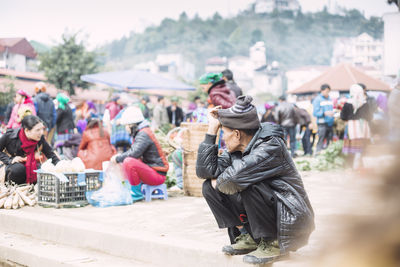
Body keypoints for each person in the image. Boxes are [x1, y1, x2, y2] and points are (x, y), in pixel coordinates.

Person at [196, 95, 314, 264]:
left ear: (237, 134)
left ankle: (273, 243)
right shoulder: (236, 150)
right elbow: (205, 172)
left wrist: (220, 181)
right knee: (209, 186)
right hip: (269, 206)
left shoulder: (270, 146)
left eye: (224, 133)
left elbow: (232, 180)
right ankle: (248, 235)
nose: (222, 138)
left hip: (289, 215)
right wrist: (211, 130)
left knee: (246, 182)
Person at [110, 106, 169, 187]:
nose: (126, 128)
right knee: (127, 160)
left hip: (157, 174)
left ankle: (136, 193)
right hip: (152, 170)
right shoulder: (141, 132)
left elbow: (134, 153)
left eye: (126, 125)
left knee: (129, 162)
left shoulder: (143, 134)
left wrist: (117, 158)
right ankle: (132, 188)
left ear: (132, 125)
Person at [0, 115, 59, 184]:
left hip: (31, 166)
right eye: (38, 130)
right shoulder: (10, 136)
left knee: (42, 170)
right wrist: (10, 160)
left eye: (42, 129)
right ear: (27, 130)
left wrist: (61, 166)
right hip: (12, 167)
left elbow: (51, 154)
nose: (41, 132)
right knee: (18, 169)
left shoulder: (40, 138)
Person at [341, 84, 373, 170]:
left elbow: (343, 117)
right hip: (363, 128)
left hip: (351, 128)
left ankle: (352, 166)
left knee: (351, 149)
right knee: (362, 148)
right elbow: (370, 117)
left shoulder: (348, 103)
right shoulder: (365, 103)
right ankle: (360, 166)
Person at [313, 84, 334, 153]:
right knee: (321, 139)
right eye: (326, 91)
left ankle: (327, 154)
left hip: (330, 122)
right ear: (322, 91)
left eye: (329, 91)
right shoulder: (317, 99)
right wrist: (324, 113)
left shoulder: (330, 99)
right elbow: (315, 113)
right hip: (322, 123)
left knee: (329, 139)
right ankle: (318, 153)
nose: (328, 93)